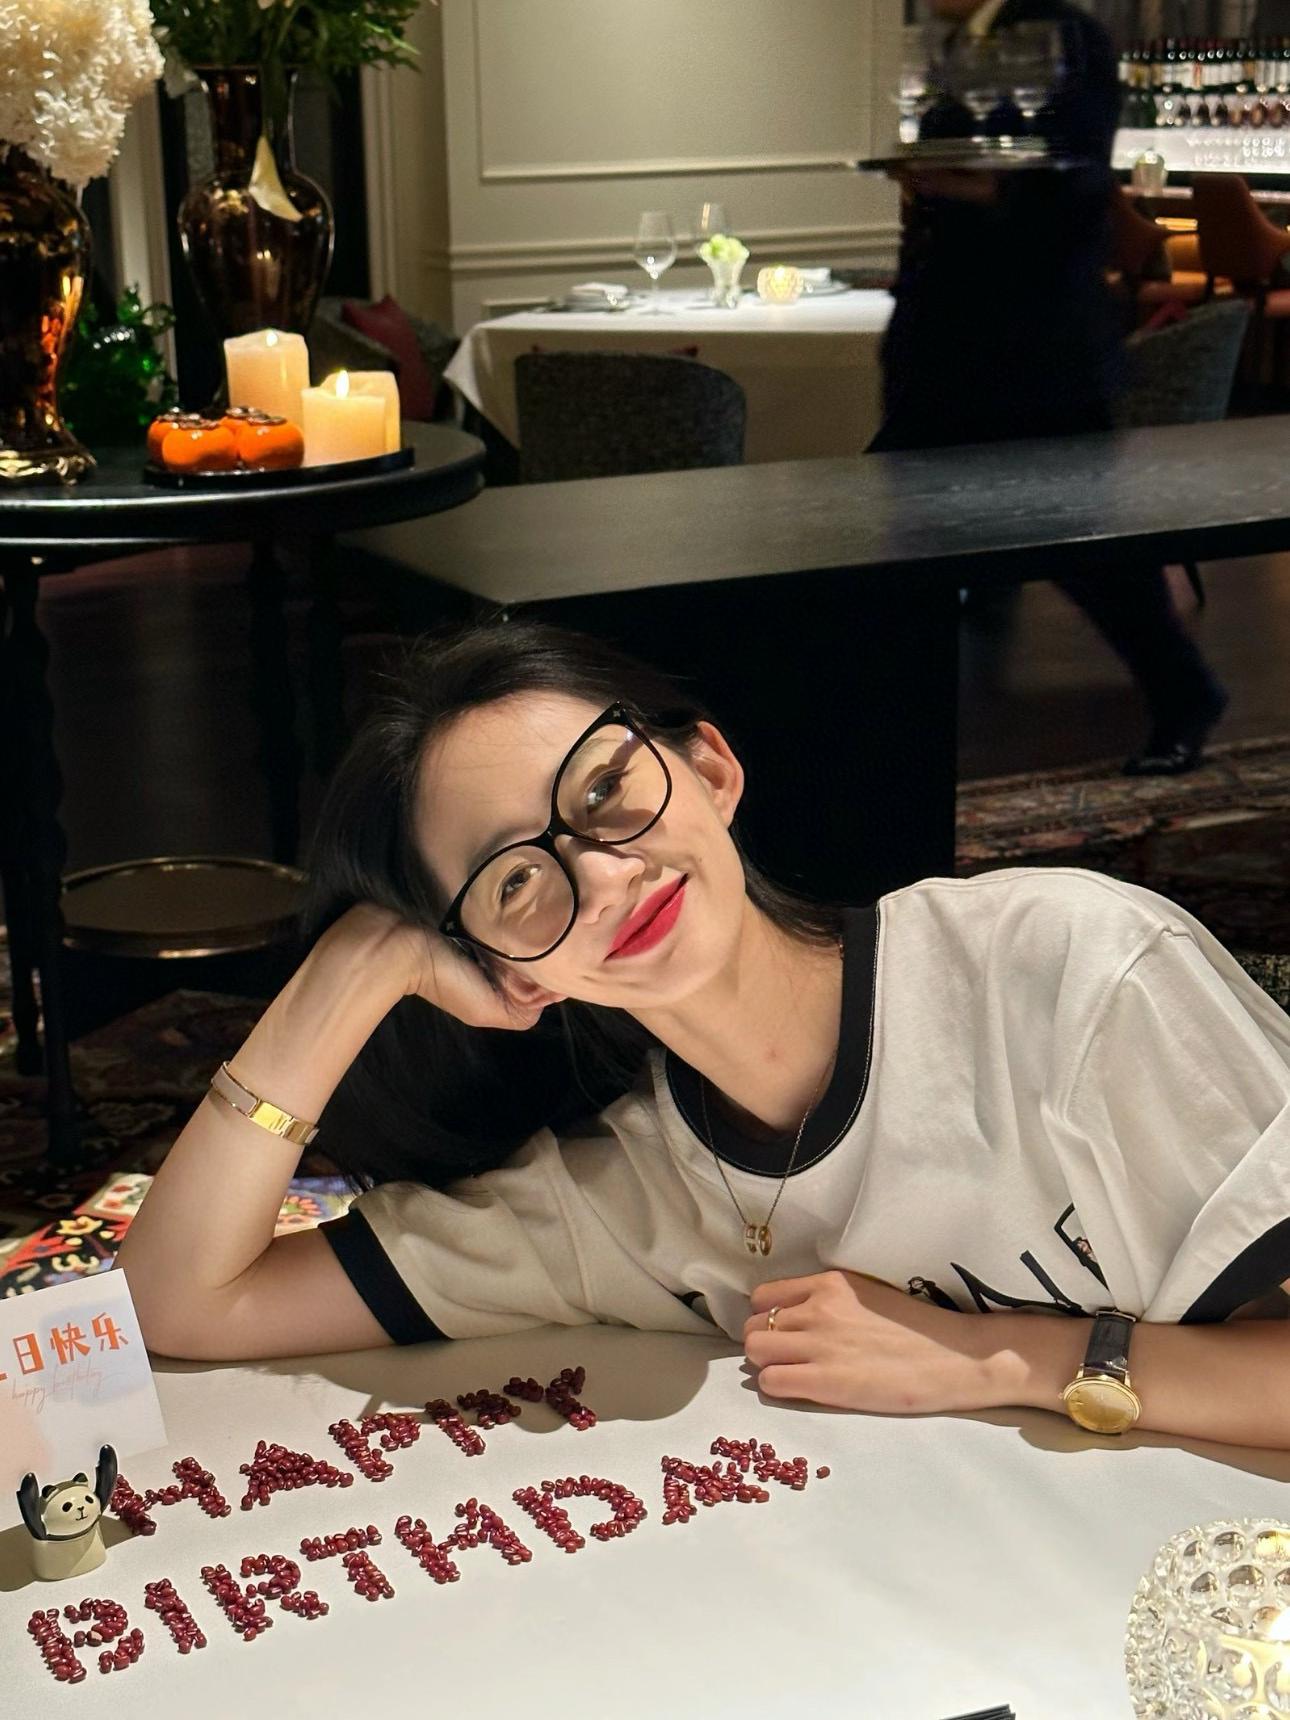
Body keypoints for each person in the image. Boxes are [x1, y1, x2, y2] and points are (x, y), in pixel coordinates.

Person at [115, 620, 1290, 1449]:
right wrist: (353, 969)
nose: (602, 874)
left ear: (712, 768)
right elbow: (179, 1298)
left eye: (603, 791)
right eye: (514, 881)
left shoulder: (1066, 972)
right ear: (503, 969)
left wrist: (1002, 1358)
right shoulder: (622, 1205)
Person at [874, 0, 1229, 775]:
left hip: (1036, 347)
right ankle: (886, 734)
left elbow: (1076, 190)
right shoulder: (961, 41)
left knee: (1087, 548)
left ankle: (1184, 693)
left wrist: (973, 189)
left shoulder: (1065, 36)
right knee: (890, 529)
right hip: (943, 342)